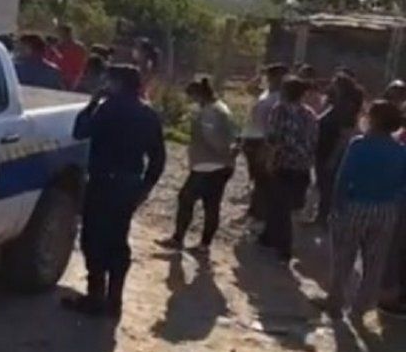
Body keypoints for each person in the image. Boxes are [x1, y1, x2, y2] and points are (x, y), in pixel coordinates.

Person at [66, 64, 166, 318]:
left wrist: (91, 103)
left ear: (118, 83)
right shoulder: (148, 114)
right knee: (118, 241)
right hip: (129, 184)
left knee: (93, 239)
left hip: (103, 182)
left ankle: (95, 297)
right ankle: (114, 301)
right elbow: (158, 158)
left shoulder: (107, 109)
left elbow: (79, 131)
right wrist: (145, 187)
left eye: (108, 81)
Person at [324, 101, 406, 320]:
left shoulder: (358, 145)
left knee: (344, 258)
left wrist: (335, 206)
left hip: (355, 205)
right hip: (386, 209)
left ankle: (335, 304)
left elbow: (343, 178)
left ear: (375, 120)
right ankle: (360, 309)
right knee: (374, 263)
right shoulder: (400, 151)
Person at [157, 77, 238, 253]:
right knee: (212, 204)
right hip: (221, 165)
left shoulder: (210, 112)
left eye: (192, 97)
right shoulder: (222, 108)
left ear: (198, 95)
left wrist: (220, 152)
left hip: (208, 165)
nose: (191, 102)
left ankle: (178, 238)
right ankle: (204, 245)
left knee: (186, 198)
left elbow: (213, 138)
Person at [260, 77, 319, 262]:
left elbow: (274, 138)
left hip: (284, 163)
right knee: (288, 205)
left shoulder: (280, 109)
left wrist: (269, 161)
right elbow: (313, 140)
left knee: (280, 206)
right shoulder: (310, 113)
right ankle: (268, 237)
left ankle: (283, 248)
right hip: (302, 165)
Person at [315, 73, 364, 226]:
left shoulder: (346, 107)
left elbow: (345, 135)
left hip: (332, 151)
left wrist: (334, 157)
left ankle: (326, 217)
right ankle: (322, 215)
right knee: (323, 185)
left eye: (335, 83)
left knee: (328, 186)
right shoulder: (336, 104)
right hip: (324, 148)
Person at [241, 64, 289, 223]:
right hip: (252, 136)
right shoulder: (266, 93)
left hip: (264, 139)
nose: (272, 80)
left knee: (263, 177)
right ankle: (255, 210)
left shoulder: (281, 97)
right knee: (256, 176)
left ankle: (258, 212)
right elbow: (249, 88)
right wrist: (259, 75)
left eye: (273, 77)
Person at [54, 24, 89, 90]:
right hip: (60, 78)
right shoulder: (58, 47)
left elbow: (82, 63)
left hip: (74, 79)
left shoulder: (78, 47)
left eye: (63, 33)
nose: (61, 35)